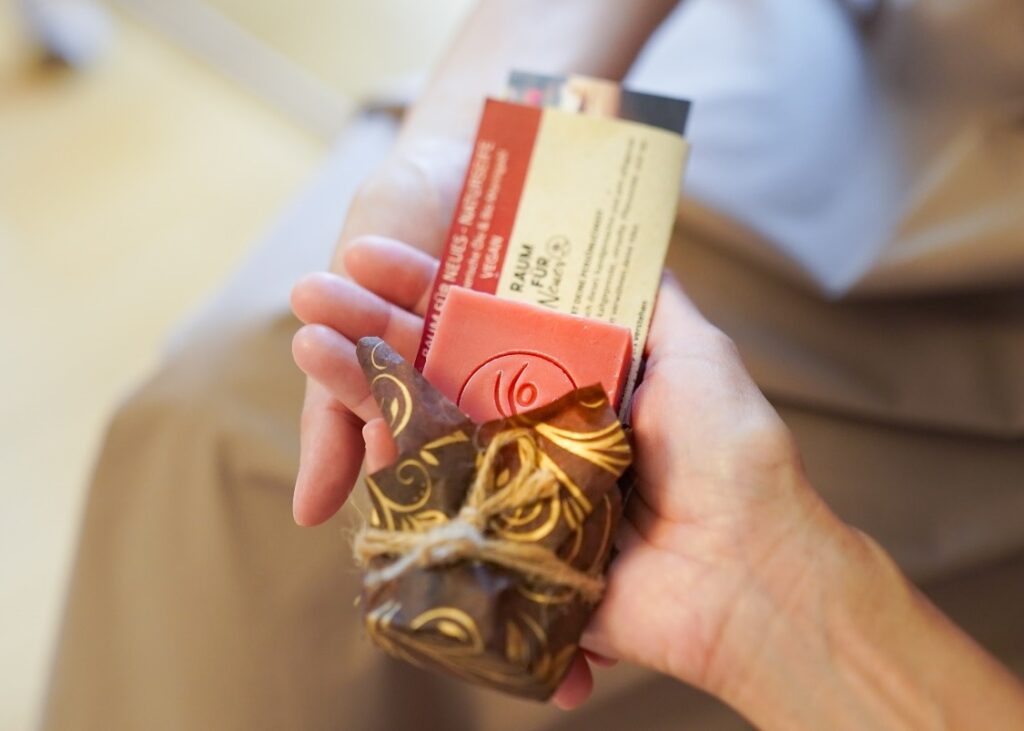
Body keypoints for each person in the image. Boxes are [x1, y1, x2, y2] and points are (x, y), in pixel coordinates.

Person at [45, 1, 1024, 729]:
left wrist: (782, 606)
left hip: (985, 322)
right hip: (828, 83)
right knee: (226, 424)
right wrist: (447, 152)